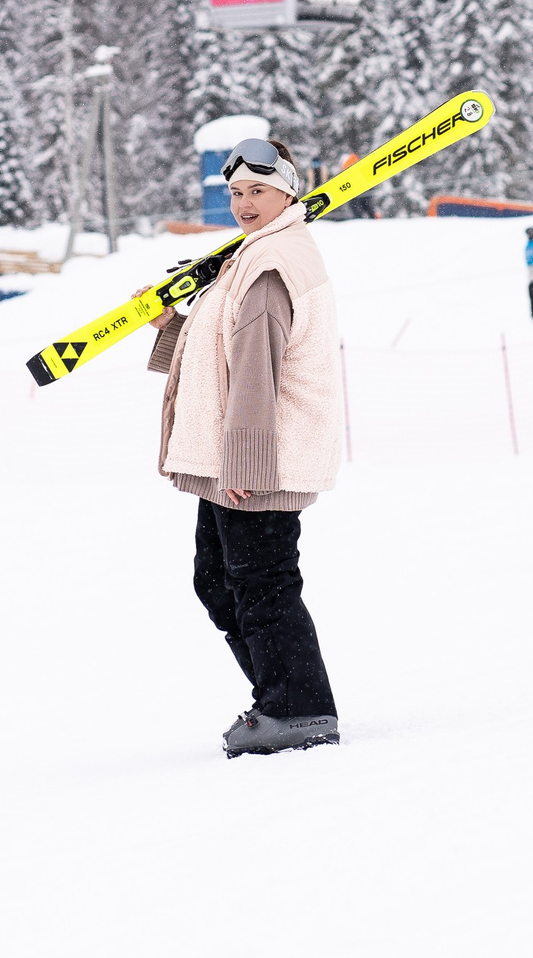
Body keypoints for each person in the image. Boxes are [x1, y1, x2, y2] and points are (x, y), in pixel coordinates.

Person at [146, 135, 343, 757]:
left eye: (258, 191)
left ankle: (298, 709)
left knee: (260, 583)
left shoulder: (270, 264)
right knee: (221, 582)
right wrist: (171, 328)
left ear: (287, 192)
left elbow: (257, 370)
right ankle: (281, 697)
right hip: (233, 458)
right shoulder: (251, 255)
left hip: (256, 460)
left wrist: (249, 465)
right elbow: (223, 349)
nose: (244, 203)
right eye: (235, 192)